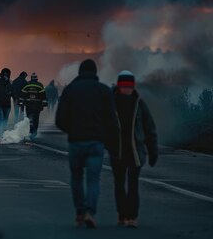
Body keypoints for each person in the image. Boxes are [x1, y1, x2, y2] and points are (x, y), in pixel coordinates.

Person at [56, 59, 119, 228]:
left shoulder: (70, 90)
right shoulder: (104, 91)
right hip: (96, 142)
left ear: (80, 72)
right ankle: (90, 212)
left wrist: (72, 131)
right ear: (95, 72)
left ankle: (79, 212)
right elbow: (112, 121)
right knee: (93, 179)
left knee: (76, 178)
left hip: (76, 142)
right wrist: (111, 142)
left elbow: (60, 119)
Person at [107, 70, 158, 228]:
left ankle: (132, 216)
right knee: (119, 184)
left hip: (136, 152)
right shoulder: (111, 103)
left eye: (129, 86)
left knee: (133, 184)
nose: (127, 89)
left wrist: (153, 151)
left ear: (133, 87)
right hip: (117, 151)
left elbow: (150, 129)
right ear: (119, 86)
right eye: (124, 86)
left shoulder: (140, 104)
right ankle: (122, 215)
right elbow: (104, 125)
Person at [20, 73, 46, 140]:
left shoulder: (27, 85)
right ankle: (35, 132)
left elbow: (23, 94)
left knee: (29, 118)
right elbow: (43, 95)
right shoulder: (40, 85)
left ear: (31, 78)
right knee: (36, 119)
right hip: (37, 106)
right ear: (36, 78)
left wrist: (21, 103)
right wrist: (44, 103)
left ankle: (31, 130)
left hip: (29, 105)